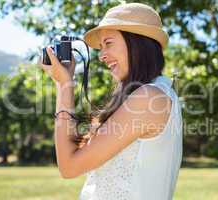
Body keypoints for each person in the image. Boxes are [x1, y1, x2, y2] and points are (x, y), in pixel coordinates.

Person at [40, 2, 183, 200]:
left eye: (108, 43)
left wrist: (64, 86)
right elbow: (78, 153)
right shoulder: (157, 93)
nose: (101, 56)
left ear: (137, 43)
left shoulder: (148, 98)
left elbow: (69, 167)